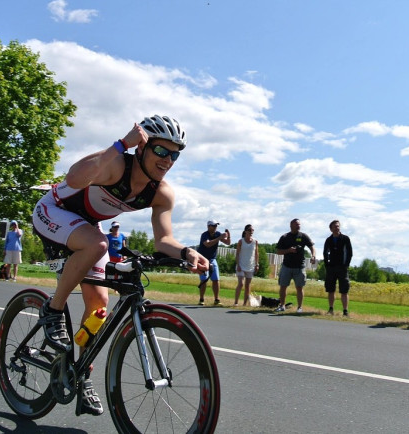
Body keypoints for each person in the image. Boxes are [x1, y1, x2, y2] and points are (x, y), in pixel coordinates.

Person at [31, 114, 208, 416]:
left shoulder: (161, 193)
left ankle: (81, 375)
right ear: (142, 147)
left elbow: (164, 239)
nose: (167, 160)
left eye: (174, 154)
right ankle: (53, 310)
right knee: (98, 244)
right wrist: (120, 144)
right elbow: (73, 179)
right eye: (161, 151)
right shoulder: (116, 164)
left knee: (99, 306)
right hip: (52, 211)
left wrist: (187, 253)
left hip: (85, 227)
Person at [275, 218, 316, 313]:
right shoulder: (285, 237)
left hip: (300, 266)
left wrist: (313, 255)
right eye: (296, 224)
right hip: (287, 266)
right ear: (291, 225)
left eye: (299, 225)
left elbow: (312, 247)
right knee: (283, 286)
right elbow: (278, 251)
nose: (299, 226)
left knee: (299, 287)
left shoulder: (303, 236)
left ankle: (299, 308)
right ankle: (282, 306)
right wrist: (289, 250)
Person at [323, 220, 353, 316]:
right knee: (331, 289)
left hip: (342, 268)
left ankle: (345, 311)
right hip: (331, 268)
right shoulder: (328, 240)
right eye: (335, 226)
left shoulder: (345, 239)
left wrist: (346, 265)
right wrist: (327, 264)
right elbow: (325, 253)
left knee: (344, 290)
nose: (337, 228)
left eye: (338, 226)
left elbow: (349, 253)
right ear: (331, 229)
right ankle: (331, 309)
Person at [197, 220, 230, 305]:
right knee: (204, 280)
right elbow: (207, 244)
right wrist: (219, 238)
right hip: (203, 259)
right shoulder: (205, 235)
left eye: (216, 226)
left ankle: (216, 299)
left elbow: (228, 243)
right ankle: (201, 299)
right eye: (214, 226)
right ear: (208, 226)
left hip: (212, 259)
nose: (215, 227)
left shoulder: (217, 234)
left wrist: (228, 236)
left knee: (216, 279)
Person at [233, 224, 258, 306]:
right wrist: (238, 264)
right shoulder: (241, 241)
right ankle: (236, 302)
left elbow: (256, 254)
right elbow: (237, 254)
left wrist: (257, 264)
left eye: (252, 230)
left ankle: (244, 303)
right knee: (241, 283)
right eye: (250, 230)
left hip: (250, 266)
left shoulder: (255, 242)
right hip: (241, 265)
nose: (251, 232)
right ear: (245, 231)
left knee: (247, 285)